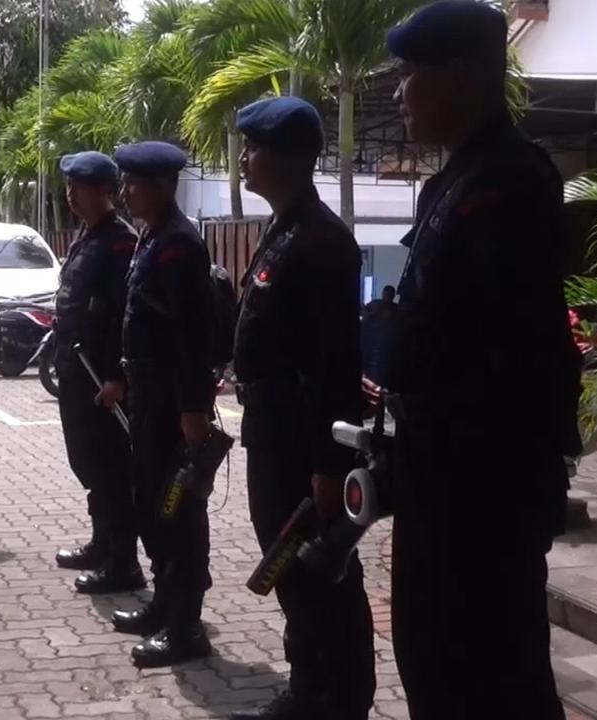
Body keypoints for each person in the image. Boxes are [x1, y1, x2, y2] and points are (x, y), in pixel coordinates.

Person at [374, 3, 581, 718]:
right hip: (440, 471)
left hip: (482, 482)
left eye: (410, 75)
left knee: (490, 670)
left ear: (459, 77)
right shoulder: (454, 183)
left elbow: (513, 351)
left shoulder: (509, 183)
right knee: (433, 659)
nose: (398, 93)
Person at [228, 97, 376, 719]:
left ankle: (339, 700)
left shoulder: (320, 241)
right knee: (291, 573)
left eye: (253, 148)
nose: (242, 160)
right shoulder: (284, 229)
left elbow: (331, 365)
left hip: (302, 445)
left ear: (287, 158)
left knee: (320, 574)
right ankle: (310, 688)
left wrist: (326, 463)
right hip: (271, 433)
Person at [109, 141, 215, 668]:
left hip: (175, 407)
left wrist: (193, 409)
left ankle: (185, 627)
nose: (125, 193)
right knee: (152, 504)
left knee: (178, 513)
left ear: (163, 186)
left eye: (133, 183)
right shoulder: (154, 237)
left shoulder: (178, 245)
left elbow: (193, 337)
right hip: (151, 400)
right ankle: (164, 604)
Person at [52, 151, 145, 595]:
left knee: (109, 469)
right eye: (69, 186)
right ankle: (101, 543)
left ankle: (123, 562)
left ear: (104, 191)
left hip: (100, 379)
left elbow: (122, 317)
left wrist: (115, 376)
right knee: (86, 464)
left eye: (80, 187)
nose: (71, 195)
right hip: (76, 373)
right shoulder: (87, 237)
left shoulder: (119, 243)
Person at [360, 285, 398, 383]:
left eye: (388, 295)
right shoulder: (375, 304)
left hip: (384, 342)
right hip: (371, 339)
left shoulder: (395, 309)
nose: (386, 297)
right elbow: (364, 313)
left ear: (392, 296)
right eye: (385, 295)